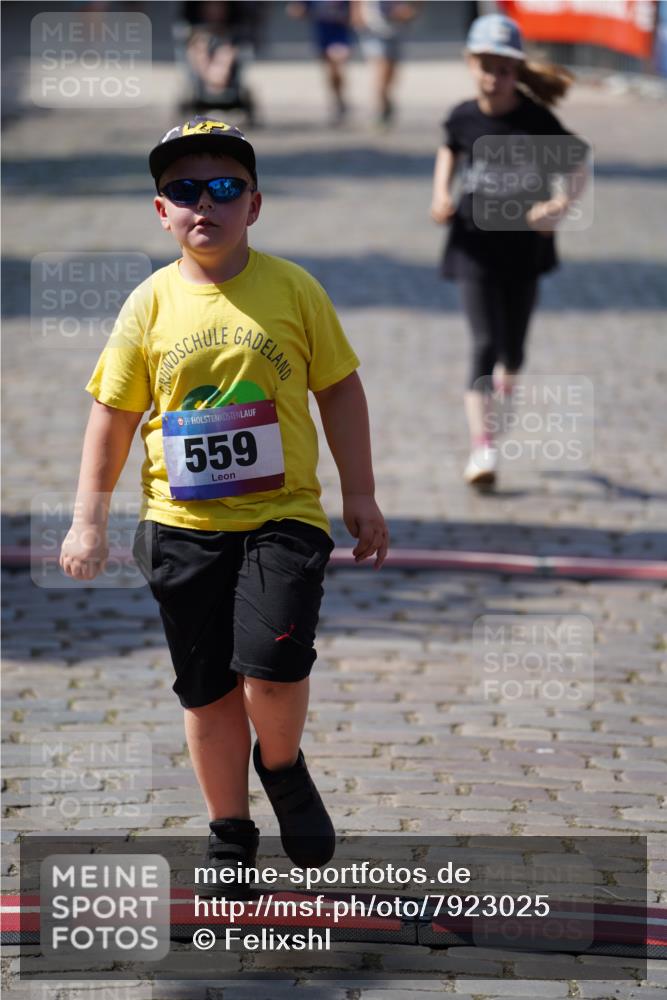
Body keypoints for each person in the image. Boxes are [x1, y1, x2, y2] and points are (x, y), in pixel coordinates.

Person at [59, 117, 388, 880]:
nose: (203, 202)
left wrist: (360, 493)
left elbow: (340, 390)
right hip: (180, 525)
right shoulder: (146, 305)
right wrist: (87, 521)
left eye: (223, 188)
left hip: (283, 518)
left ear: (254, 204)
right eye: (183, 189)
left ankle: (281, 766)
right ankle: (228, 830)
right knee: (206, 693)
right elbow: (111, 417)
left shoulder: (293, 289)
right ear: (161, 210)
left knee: (273, 665)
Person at [430, 14, 588, 488]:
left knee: (512, 351)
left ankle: (506, 387)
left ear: (516, 70)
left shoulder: (535, 119)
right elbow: (449, 151)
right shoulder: (462, 116)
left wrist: (560, 204)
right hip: (473, 247)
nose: (494, 77)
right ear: (470, 63)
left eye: (504, 68)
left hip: (523, 250)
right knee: (482, 344)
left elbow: (578, 163)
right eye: (486, 66)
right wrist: (441, 193)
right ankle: (484, 450)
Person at [352, 0, 419, 127]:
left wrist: (412, 9)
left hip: (397, 27)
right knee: (381, 69)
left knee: (391, 72)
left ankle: (386, 101)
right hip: (373, 26)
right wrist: (356, 13)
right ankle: (379, 109)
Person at [287, 1, 353, 124]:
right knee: (330, 70)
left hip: (341, 30)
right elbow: (300, 8)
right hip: (322, 30)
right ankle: (337, 100)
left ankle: (340, 99)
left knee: (337, 63)